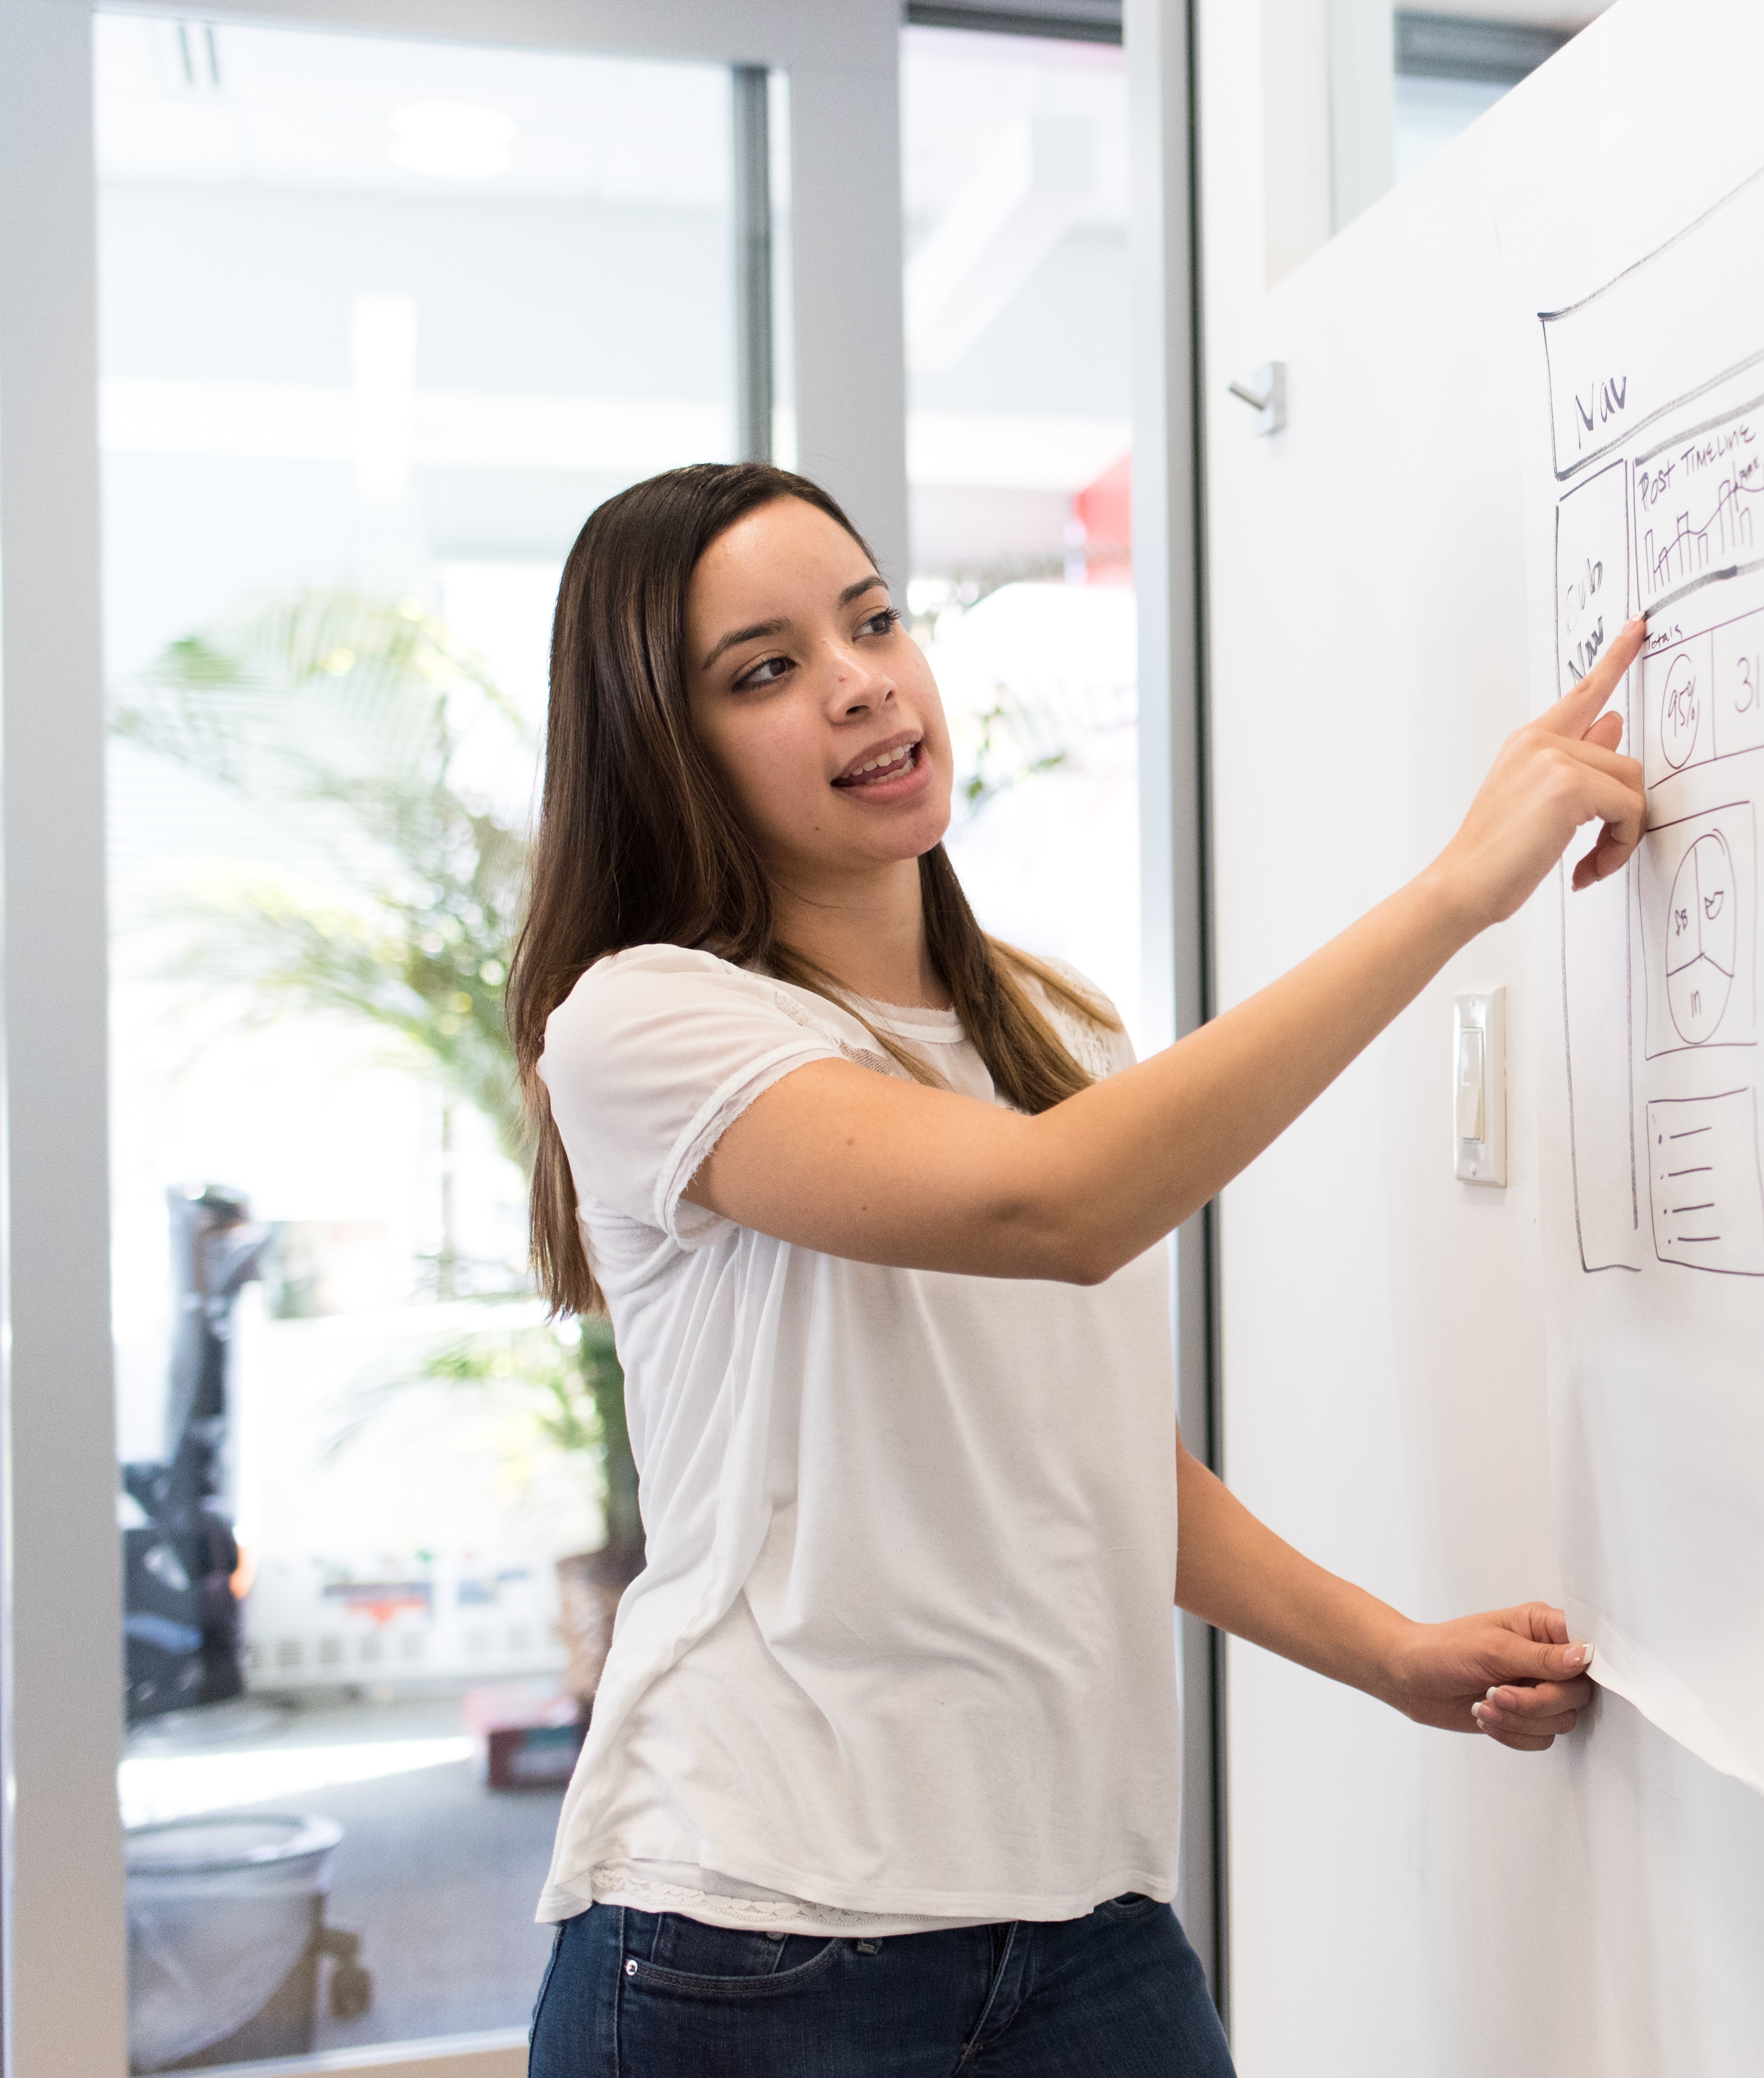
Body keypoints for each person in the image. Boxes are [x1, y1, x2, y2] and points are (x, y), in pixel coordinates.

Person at [510, 462, 1647, 2075]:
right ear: (665, 751)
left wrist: (1387, 1653)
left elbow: (1086, 1461)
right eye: (762, 671)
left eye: (872, 619)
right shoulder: (647, 1021)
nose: (859, 683)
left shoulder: (1052, 1035)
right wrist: (1462, 890)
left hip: (1083, 1919)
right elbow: (1058, 1208)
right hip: (750, 1931)